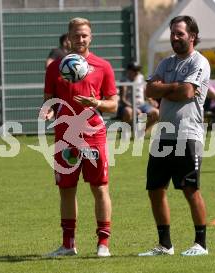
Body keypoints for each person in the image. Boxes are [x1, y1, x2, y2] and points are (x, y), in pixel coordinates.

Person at [41, 17, 118, 257]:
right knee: (66, 189)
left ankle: (103, 244)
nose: (80, 39)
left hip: (93, 135)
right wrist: (49, 110)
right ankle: (68, 244)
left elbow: (113, 105)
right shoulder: (55, 67)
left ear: (91, 37)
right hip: (65, 136)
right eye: (76, 35)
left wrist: (96, 102)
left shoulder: (103, 66)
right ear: (69, 37)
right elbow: (49, 100)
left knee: (99, 188)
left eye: (84, 35)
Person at [138, 15, 210, 257]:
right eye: (173, 33)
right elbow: (149, 89)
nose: (175, 38)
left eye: (180, 33)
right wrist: (174, 87)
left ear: (192, 36)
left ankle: (201, 244)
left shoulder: (199, 62)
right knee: (155, 190)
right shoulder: (165, 63)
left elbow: (187, 91)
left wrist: (165, 88)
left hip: (187, 134)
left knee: (191, 190)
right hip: (163, 135)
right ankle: (165, 245)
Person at [117, 62, 159, 132]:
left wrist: (151, 100)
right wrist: (134, 108)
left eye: (138, 70)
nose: (137, 72)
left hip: (142, 105)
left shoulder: (141, 77)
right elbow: (122, 99)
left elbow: (145, 92)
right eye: (135, 70)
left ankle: (143, 131)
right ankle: (127, 131)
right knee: (128, 112)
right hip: (128, 106)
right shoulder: (124, 80)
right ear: (129, 71)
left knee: (156, 113)